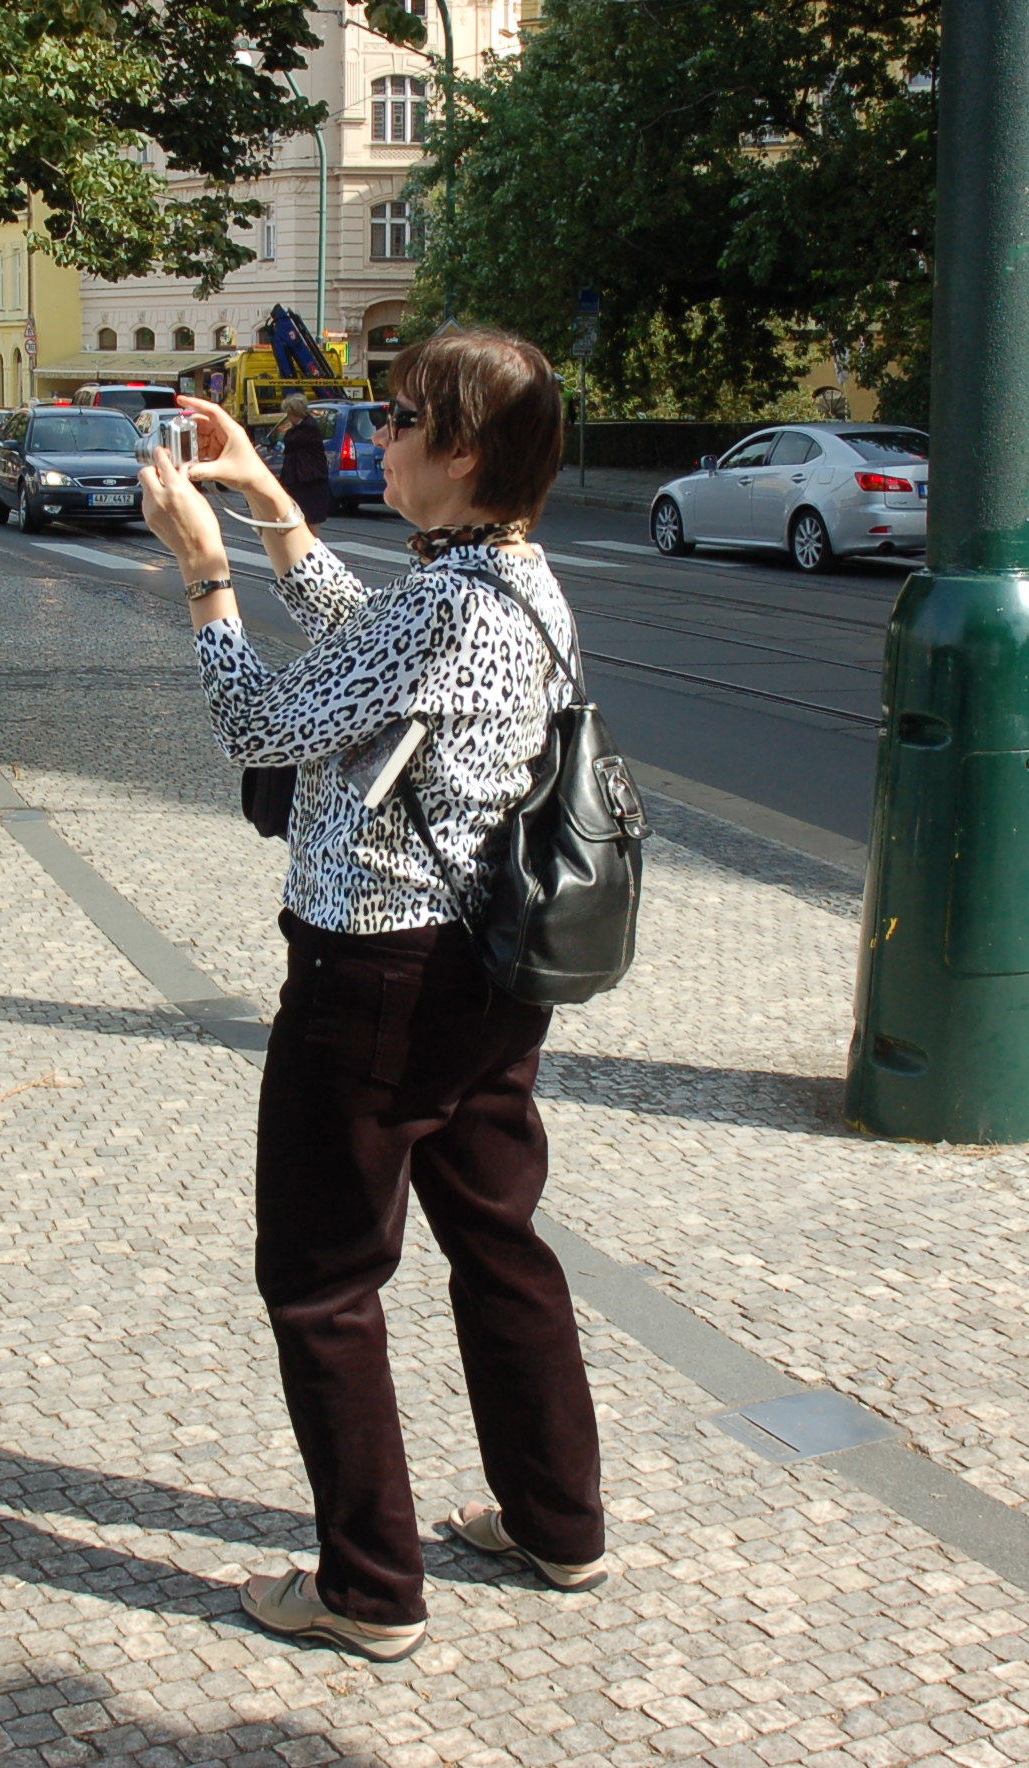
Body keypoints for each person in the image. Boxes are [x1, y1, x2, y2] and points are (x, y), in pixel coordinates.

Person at [136, 328, 604, 1663]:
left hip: (376, 977)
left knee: (322, 1278)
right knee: (498, 1239)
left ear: (462, 450)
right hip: (485, 971)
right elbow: (371, 644)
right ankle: (558, 1521)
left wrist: (205, 572)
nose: (377, 435)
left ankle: (369, 1587)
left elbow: (264, 725)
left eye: (397, 418)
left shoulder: (450, 601)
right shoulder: (508, 576)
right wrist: (269, 503)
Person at [275, 392, 332, 530]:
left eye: (288, 413)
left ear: (294, 412)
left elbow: (290, 442)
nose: (288, 416)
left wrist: (287, 432)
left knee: (311, 517)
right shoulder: (302, 427)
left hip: (309, 480)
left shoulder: (307, 427)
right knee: (301, 516)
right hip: (301, 479)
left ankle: (312, 542)